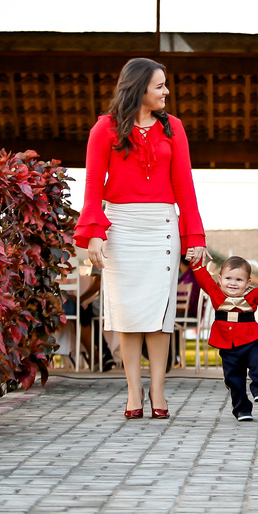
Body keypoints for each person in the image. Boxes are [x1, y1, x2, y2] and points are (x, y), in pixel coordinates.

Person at [75, 58, 206, 420]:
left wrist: (194, 236)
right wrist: (95, 234)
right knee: (127, 312)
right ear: (139, 88)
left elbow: (185, 185)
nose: (166, 92)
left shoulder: (173, 128)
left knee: (160, 315)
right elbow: (92, 186)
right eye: (159, 86)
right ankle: (134, 392)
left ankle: (158, 390)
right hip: (120, 226)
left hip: (162, 226)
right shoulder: (104, 128)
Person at [191, 256, 258, 421]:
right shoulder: (215, 292)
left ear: (248, 282)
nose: (233, 283)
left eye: (239, 280)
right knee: (233, 378)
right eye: (228, 278)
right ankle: (241, 409)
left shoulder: (252, 295)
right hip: (227, 343)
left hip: (252, 340)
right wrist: (195, 261)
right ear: (220, 279)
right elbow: (202, 278)